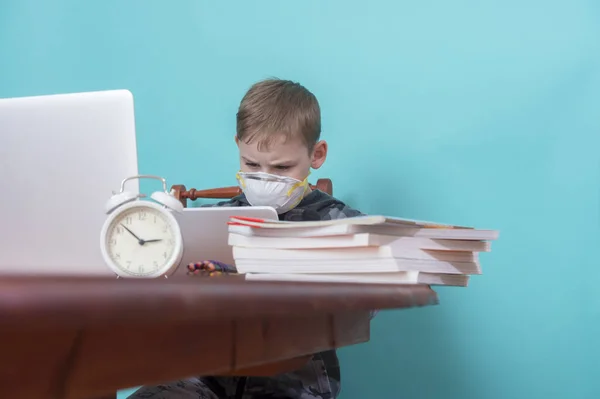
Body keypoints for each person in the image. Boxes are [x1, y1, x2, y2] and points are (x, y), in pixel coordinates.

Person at [128, 78, 364, 399]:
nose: (265, 179)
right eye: (251, 165)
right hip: (207, 370)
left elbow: (370, 302)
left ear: (316, 154)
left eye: (281, 167)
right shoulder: (212, 220)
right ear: (238, 145)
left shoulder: (339, 223)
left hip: (293, 381)